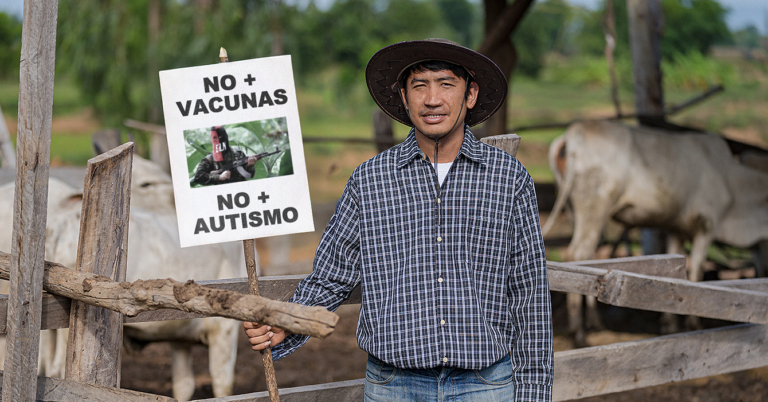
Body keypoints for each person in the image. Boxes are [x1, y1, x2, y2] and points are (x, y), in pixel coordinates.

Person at [244, 39, 554, 401]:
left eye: (446, 84)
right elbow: (331, 276)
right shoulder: (370, 181)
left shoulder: (507, 178)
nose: (432, 99)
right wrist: (286, 324)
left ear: (470, 95)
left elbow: (528, 294)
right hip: (395, 386)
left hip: (484, 385)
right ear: (404, 99)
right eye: (419, 85)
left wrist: (533, 392)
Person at [193, 125, 260, 185]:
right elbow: (198, 177)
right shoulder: (210, 159)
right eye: (215, 138)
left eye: (221, 136)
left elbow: (249, 175)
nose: (219, 140)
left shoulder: (238, 154)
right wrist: (218, 177)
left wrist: (249, 166)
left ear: (225, 136)